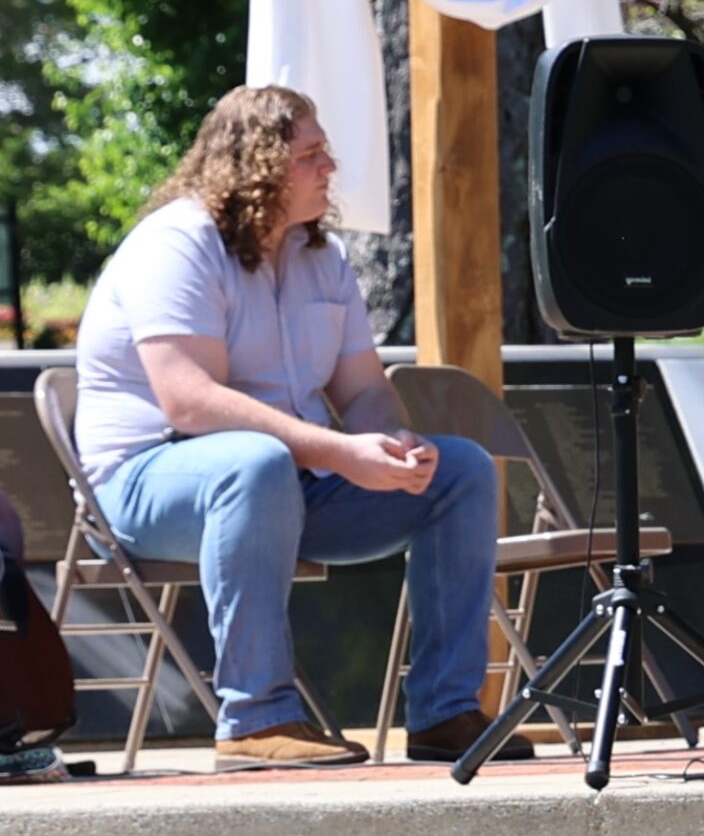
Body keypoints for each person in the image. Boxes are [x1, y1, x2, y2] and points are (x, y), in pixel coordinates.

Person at [73, 85, 518, 769]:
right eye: (311, 153)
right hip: (147, 484)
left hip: (291, 481)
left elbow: (363, 389)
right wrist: (340, 451)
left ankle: (445, 713)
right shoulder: (177, 245)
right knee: (252, 463)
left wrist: (394, 445)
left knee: (458, 470)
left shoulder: (322, 256)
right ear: (256, 166)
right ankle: (254, 721)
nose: (329, 166)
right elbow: (189, 402)